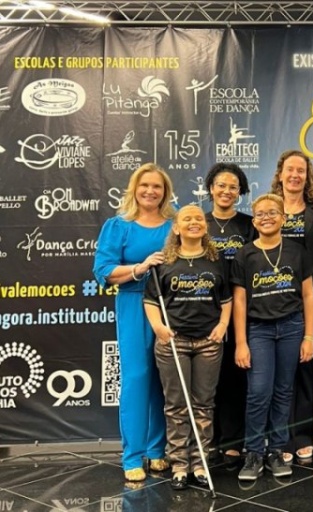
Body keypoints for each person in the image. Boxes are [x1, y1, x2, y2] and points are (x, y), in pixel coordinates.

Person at [92, 163, 176, 482]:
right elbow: (104, 271)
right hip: (134, 304)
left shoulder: (175, 224)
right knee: (138, 377)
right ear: (134, 189)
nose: (150, 191)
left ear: (165, 192)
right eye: (145, 185)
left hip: (172, 306)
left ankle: (156, 451)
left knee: (164, 379)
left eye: (157, 186)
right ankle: (132, 456)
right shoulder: (118, 225)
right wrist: (139, 268)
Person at [143, 204, 232, 490]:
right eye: (187, 218)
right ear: (177, 228)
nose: (194, 222)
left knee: (204, 405)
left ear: (205, 227)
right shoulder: (163, 263)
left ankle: (200, 462)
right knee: (176, 406)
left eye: (199, 218)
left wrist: (223, 325)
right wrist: (158, 327)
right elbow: (151, 301)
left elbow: (227, 299)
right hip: (174, 342)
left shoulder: (217, 259)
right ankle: (180, 464)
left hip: (209, 342)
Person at [233, 194, 313, 481]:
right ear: (254, 221)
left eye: (272, 212)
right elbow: (239, 301)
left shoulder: (297, 251)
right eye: (260, 213)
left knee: (283, 391)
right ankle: (254, 452)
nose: (266, 217)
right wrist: (241, 342)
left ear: (283, 218)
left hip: (292, 327)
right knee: (259, 392)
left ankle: (276, 450)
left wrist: (309, 336)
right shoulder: (245, 254)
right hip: (259, 330)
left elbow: (308, 295)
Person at [270, 149, 313, 461]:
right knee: (277, 374)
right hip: (271, 300)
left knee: (305, 368)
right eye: (290, 169)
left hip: (307, 300)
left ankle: (302, 435)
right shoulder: (268, 209)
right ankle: (278, 438)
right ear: (280, 174)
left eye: (301, 171)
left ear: (307, 177)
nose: (295, 175)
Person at [204, 163, 256, 463]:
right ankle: (207, 440)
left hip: (239, 308)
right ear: (211, 188)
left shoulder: (249, 225)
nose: (226, 191)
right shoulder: (199, 222)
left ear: (240, 192)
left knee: (235, 378)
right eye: (221, 185)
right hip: (203, 309)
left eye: (233, 187)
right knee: (206, 380)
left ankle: (233, 441)